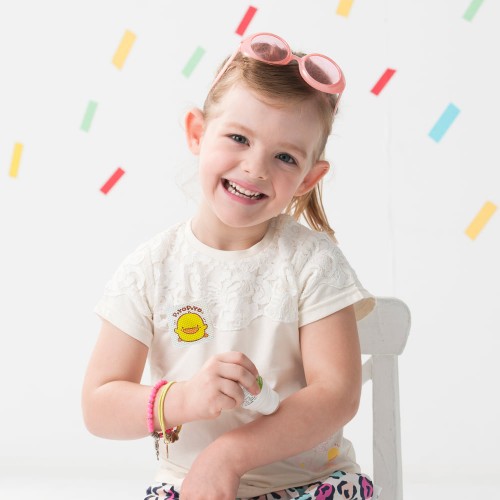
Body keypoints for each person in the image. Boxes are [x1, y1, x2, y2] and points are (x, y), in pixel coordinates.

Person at [82, 32, 378, 500]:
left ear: (308, 178)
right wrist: (182, 399)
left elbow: (337, 395)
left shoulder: (312, 262)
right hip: (190, 489)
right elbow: (99, 407)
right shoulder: (150, 269)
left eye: (285, 157)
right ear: (197, 133)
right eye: (239, 138)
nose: (255, 168)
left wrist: (227, 456)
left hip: (310, 487)